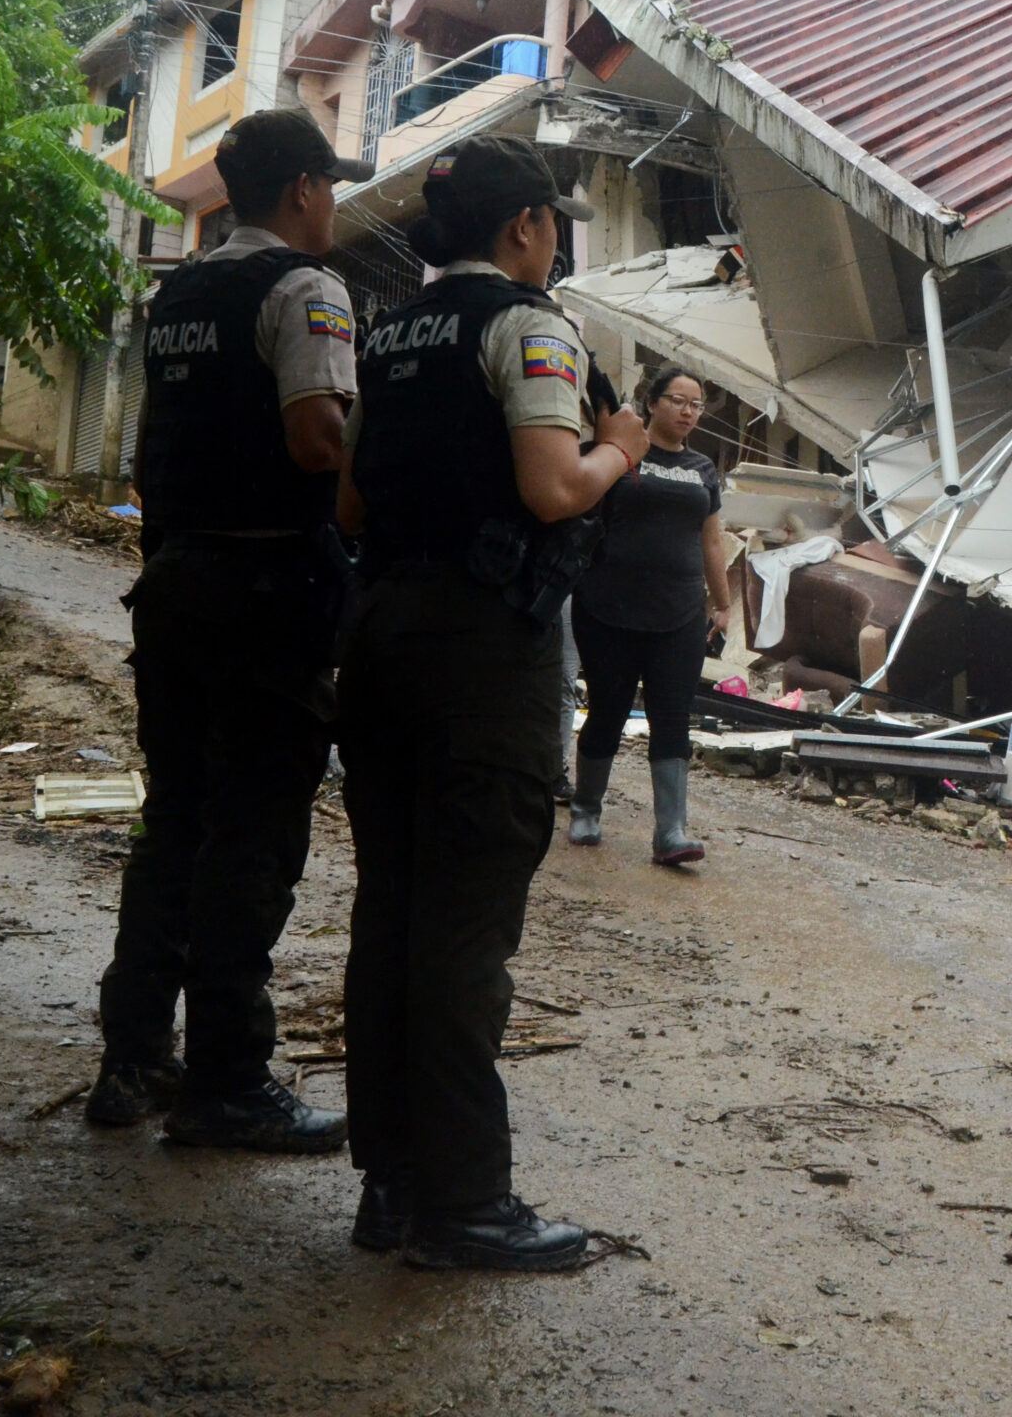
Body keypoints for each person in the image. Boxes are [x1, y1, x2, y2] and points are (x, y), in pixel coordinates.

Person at [333, 135, 643, 1271]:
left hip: (380, 639)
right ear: (523, 230)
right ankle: (467, 1205)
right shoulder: (529, 326)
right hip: (479, 654)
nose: (554, 242)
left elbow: (355, 507)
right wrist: (619, 447)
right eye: (552, 223)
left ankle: (392, 1184)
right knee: (463, 934)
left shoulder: (385, 336)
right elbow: (550, 487)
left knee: (394, 916)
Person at [90, 109, 373, 1151]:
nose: (333, 204)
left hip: (174, 583)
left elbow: (146, 454)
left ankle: (132, 1055)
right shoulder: (306, 290)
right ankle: (228, 1079)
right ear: (301, 188)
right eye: (329, 186)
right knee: (252, 836)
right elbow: (315, 439)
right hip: (265, 593)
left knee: (176, 820)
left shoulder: (183, 291)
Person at [566, 366, 734, 862]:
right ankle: (586, 809)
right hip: (608, 607)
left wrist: (723, 603)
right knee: (609, 709)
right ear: (652, 402)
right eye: (677, 401)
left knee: (672, 717)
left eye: (696, 405)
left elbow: (711, 539)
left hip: (680, 612)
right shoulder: (619, 453)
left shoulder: (703, 468)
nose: (687, 412)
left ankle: (671, 832)